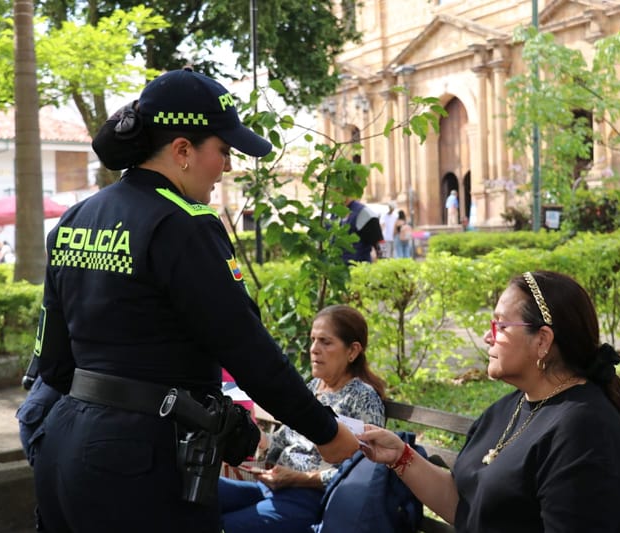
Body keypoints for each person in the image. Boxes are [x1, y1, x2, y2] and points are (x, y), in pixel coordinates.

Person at [28, 67, 359, 533]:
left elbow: (54, 366)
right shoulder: (183, 226)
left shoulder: (77, 217)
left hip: (63, 453)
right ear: (182, 150)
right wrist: (329, 434)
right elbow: (250, 353)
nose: (227, 166)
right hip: (143, 466)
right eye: (222, 150)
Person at [359, 271, 620, 532]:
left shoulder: (586, 431)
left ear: (542, 341)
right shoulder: (511, 407)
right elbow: (467, 507)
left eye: (501, 326)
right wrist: (400, 457)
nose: (487, 337)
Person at [219, 304, 386, 533]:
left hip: (312, 500)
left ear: (353, 351)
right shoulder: (313, 387)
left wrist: (299, 479)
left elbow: (359, 472)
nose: (314, 349)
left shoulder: (363, 398)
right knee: (198, 495)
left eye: (325, 342)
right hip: (273, 489)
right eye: (313, 340)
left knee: (221, 525)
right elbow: (281, 442)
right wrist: (253, 436)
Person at [341, 197, 385, 265]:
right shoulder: (333, 213)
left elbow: (379, 244)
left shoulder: (363, 213)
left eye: (337, 188)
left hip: (359, 268)